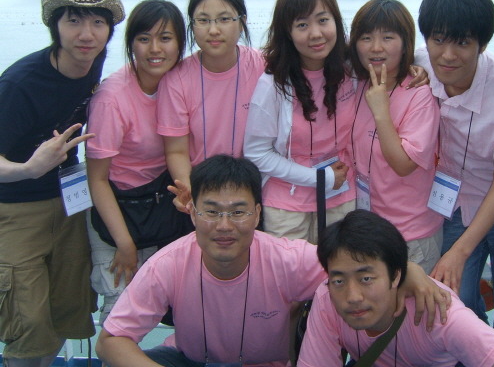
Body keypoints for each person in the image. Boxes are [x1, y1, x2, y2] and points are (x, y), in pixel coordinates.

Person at [95, 155, 451, 367]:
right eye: (211, 212)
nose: (224, 226)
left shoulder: (287, 259)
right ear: (192, 212)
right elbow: (111, 340)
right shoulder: (168, 264)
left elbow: (353, 269)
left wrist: (410, 271)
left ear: (257, 214)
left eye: (238, 212)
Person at [0, 0, 124, 367]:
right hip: (17, 211)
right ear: (55, 26)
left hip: (71, 204)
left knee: (66, 306)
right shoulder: (20, 84)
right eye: (73, 21)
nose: (86, 34)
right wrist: (28, 168)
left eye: (98, 22)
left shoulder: (93, 64)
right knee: (27, 319)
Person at [415, 0, 494, 359]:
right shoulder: (418, 63)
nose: (448, 55)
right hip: (454, 204)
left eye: (463, 43)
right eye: (438, 40)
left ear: (482, 44)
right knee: (459, 303)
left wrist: (459, 251)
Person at [298, 209, 494, 367]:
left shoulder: (439, 312)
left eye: (366, 278)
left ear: (396, 275)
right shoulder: (327, 297)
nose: (353, 296)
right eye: (339, 281)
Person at [86, 0, 192, 324]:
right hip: (120, 212)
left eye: (165, 38)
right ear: (131, 43)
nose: (154, 49)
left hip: (162, 208)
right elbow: (97, 179)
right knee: (121, 313)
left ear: (180, 43)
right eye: (144, 39)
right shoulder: (112, 98)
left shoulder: (183, 82)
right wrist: (125, 244)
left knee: (179, 304)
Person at [243, 0, 356, 242]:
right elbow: (257, 152)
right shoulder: (273, 84)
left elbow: (390, 61)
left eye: (323, 20)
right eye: (302, 25)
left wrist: (416, 69)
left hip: (341, 194)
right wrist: (318, 177)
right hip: (287, 206)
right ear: (287, 32)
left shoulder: (351, 71)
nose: (315, 33)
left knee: (340, 266)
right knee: (291, 270)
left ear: (336, 21)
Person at [348, 0, 442, 274]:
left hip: (410, 235)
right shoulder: (357, 83)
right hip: (366, 227)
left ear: (404, 44)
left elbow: (403, 164)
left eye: (388, 37)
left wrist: (381, 112)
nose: (376, 47)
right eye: (366, 38)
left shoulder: (419, 93)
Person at [157, 0, 265, 199]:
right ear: (192, 25)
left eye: (224, 19)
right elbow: (177, 151)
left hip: (257, 188)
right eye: (203, 20)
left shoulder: (263, 66)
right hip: (202, 189)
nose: (213, 30)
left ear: (242, 22)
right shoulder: (177, 80)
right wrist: (193, 197)